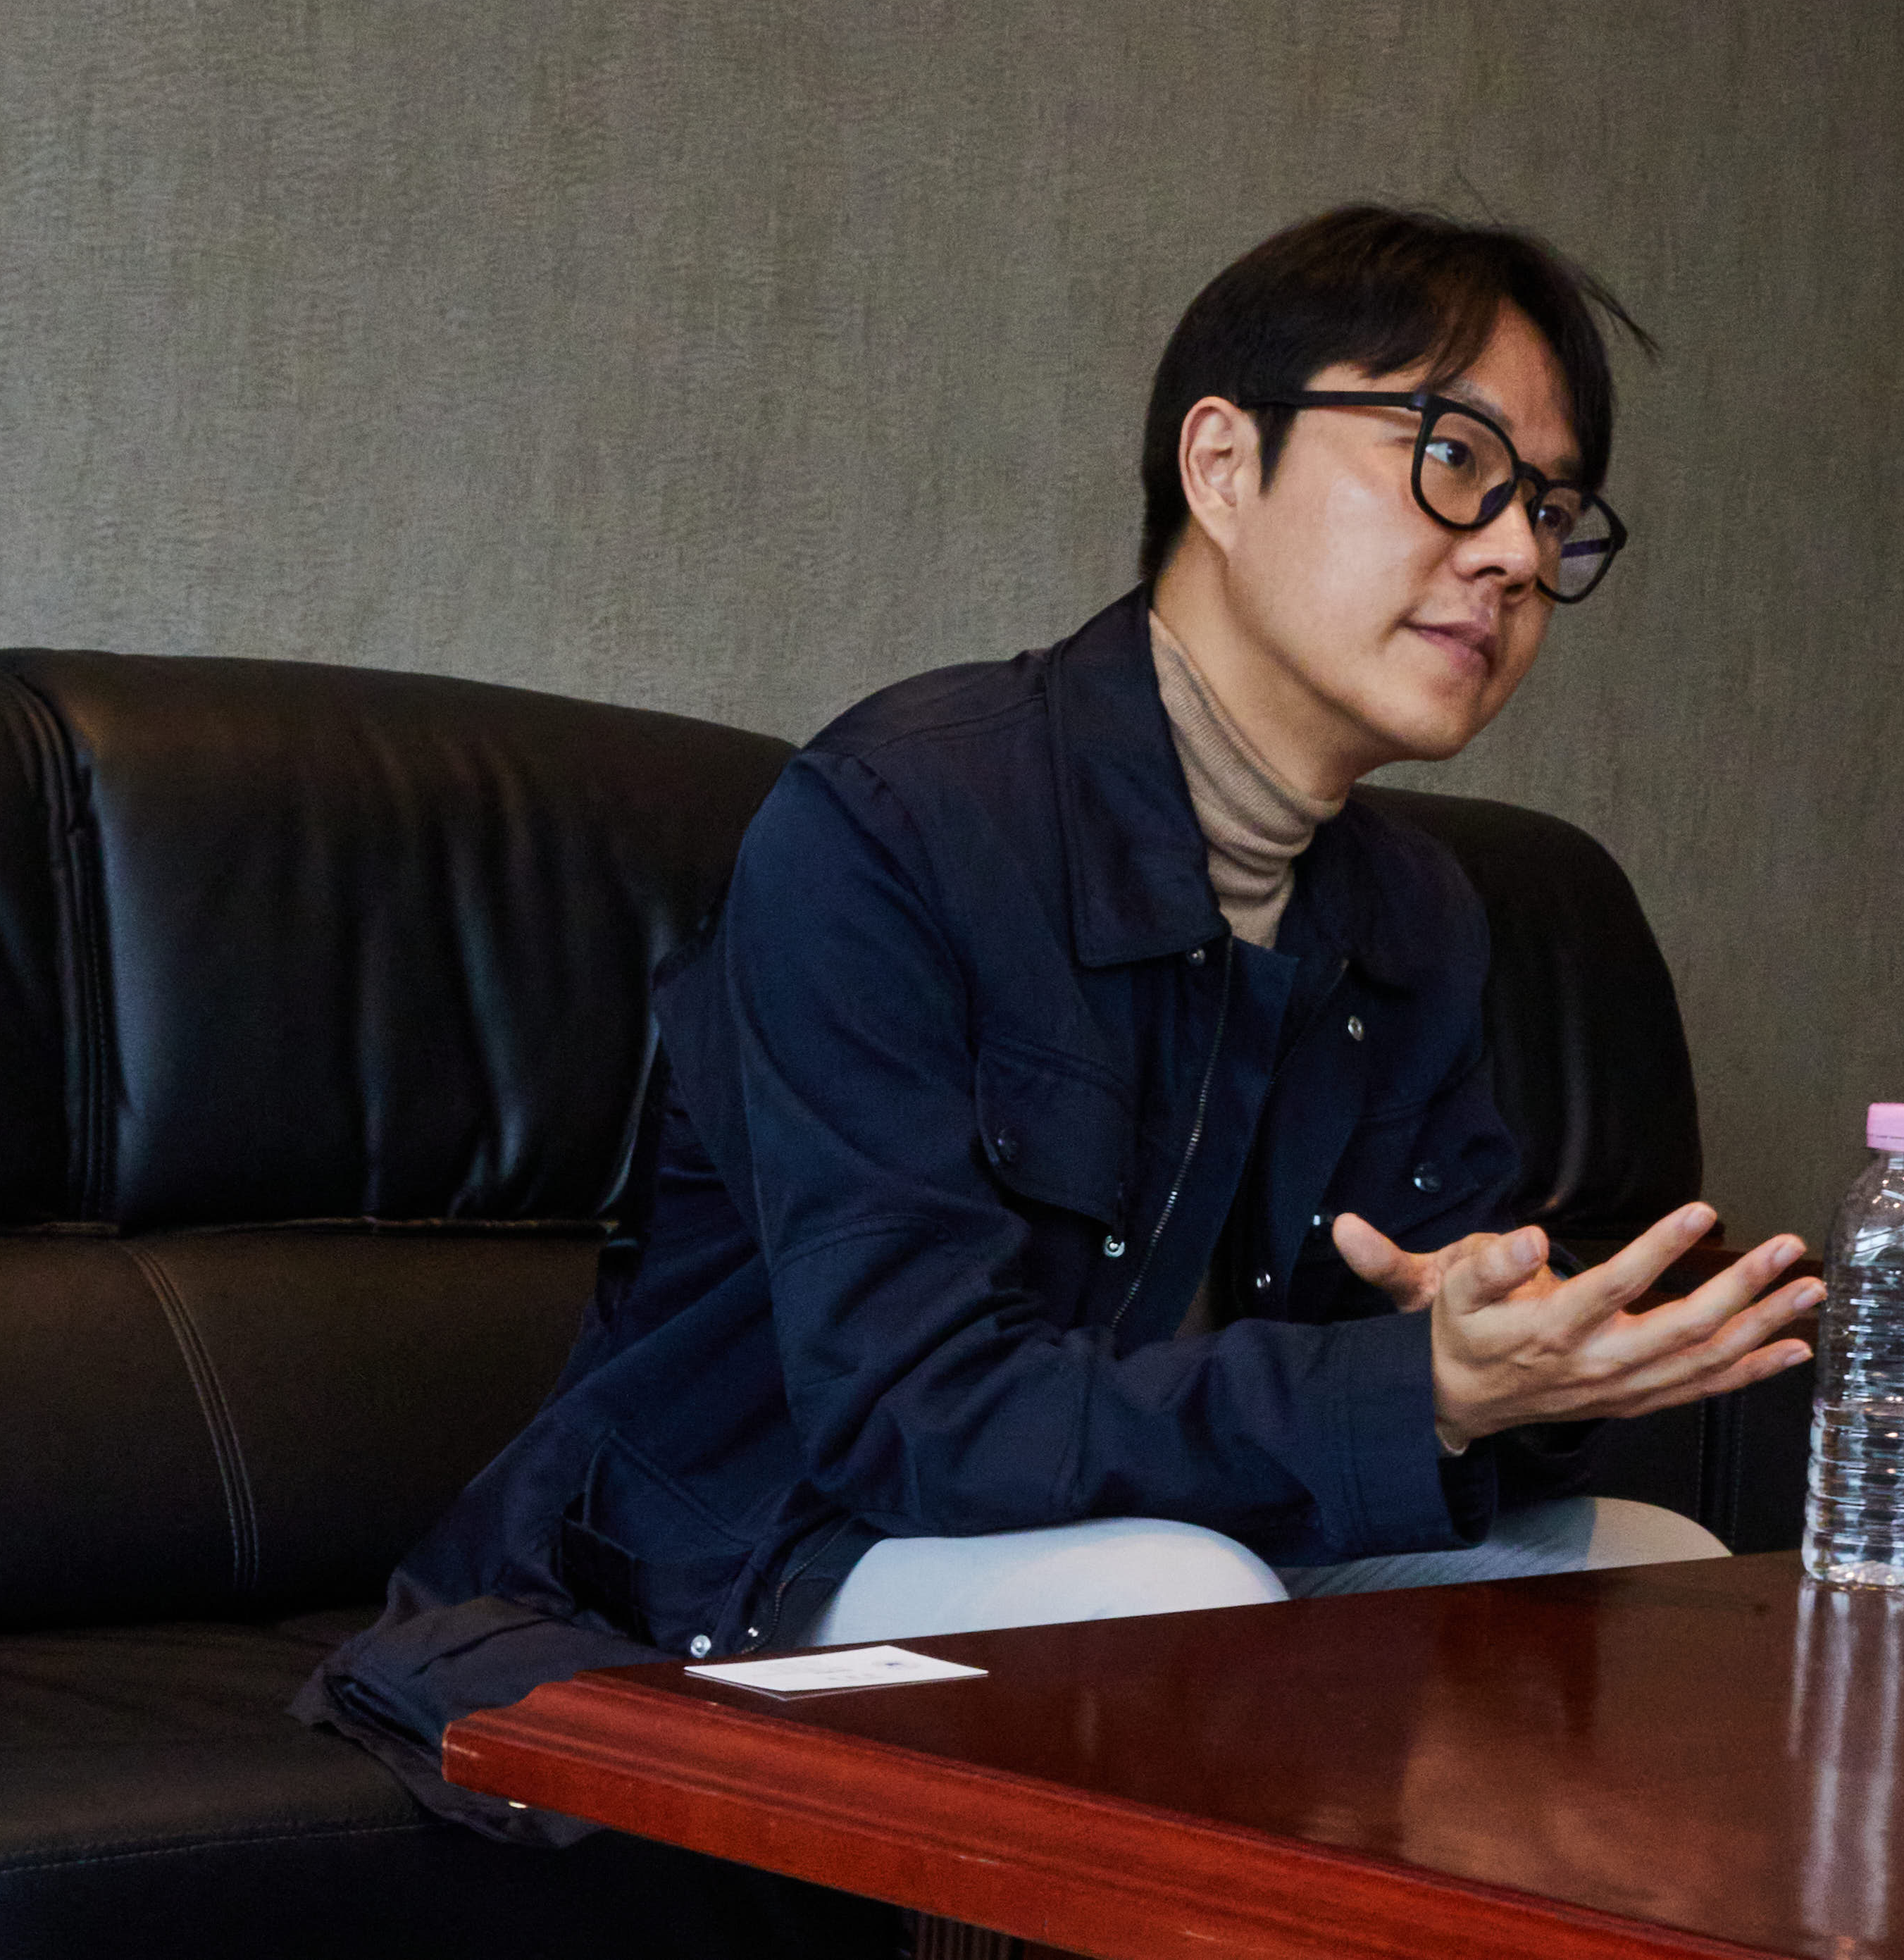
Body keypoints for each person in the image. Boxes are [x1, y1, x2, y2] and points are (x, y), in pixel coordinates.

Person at [301, 204, 1823, 1840]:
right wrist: (1413, 1393)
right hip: (777, 1549)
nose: (1514, 552)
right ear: (1223, 466)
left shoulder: (1417, 915)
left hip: (1181, 1535)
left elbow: (1413, 1385)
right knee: (1182, 1603)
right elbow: (912, 1418)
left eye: (1551, 508)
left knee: (1655, 1584)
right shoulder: (898, 823)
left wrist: (1530, 1371)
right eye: (1456, 460)